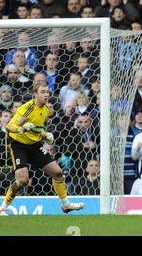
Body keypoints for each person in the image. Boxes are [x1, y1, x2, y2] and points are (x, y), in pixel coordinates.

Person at [0, 82, 84, 215]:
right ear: (35, 94)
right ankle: (2, 208)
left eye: (47, 92)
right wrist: (21, 128)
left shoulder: (45, 109)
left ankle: (65, 204)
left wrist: (44, 135)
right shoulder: (27, 108)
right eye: (43, 92)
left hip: (34, 146)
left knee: (57, 173)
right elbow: (10, 126)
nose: (46, 95)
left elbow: (37, 130)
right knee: (22, 180)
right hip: (18, 145)